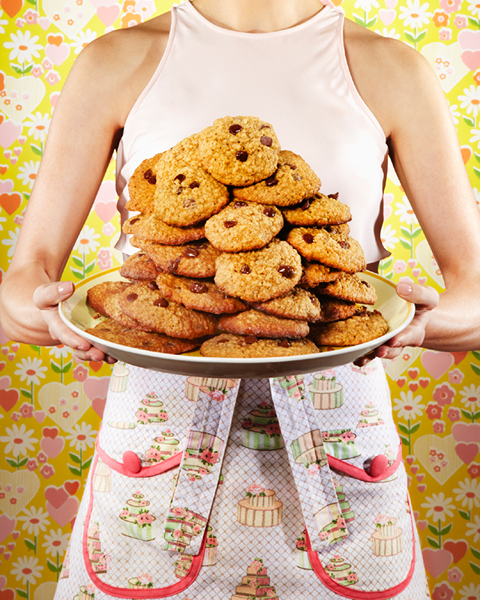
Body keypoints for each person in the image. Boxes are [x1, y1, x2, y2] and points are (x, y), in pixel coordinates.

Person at [1, 0, 480, 598]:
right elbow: (22, 284)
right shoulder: (115, 62)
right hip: (158, 454)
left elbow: (476, 301)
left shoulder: (391, 68)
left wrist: (418, 322)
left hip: (341, 453)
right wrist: (36, 310)